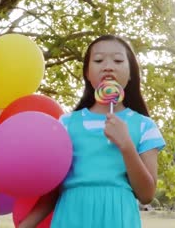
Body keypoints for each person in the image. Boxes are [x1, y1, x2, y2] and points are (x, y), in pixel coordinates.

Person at [18, 35, 166, 228]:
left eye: (118, 60)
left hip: (118, 218)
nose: (108, 66)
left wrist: (126, 145)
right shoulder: (66, 124)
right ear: (87, 73)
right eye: (98, 60)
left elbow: (146, 194)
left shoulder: (144, 126)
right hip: (71, 215)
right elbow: (54, 190)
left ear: (131, 73)